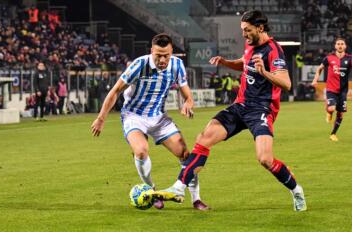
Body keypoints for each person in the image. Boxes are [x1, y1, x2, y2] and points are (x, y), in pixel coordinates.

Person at [151, 10, 307, 212]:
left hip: (261, 109)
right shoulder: (251, 44)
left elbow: (286, 83)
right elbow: (245, 63)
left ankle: (296, 191)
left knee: (265, 159)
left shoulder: (273, 51)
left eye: (247, 30)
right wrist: (225, 62)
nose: (244, 34)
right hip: (240, 105)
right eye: (243, 30)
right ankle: (179, 188)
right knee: (204, 137)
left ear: (260, 28)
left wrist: (264, 72)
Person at [91, 33, 209, 210]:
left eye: (166, 55)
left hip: (159, 117)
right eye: (158, 55)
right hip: (134, 115)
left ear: (171, 52)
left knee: (185, 154)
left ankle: (196, 199)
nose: (162, 59)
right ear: (151, 51)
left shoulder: (177, 65)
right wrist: (101, 118)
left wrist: (188, 103)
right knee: (141, 151)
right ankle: (151, 191)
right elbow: (115, 90)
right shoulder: (139, 65)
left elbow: (187, 94)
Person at [311, 38, 352, 142]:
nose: (340, 45)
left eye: (342, 44)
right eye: (338, 44)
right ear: (335, 46)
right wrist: (315, 80)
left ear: (345, 46)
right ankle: (329, 112)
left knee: (341, 113)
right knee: (331, 108)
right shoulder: (329, 58)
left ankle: (333, 134)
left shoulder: (350, 58)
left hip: (343, 91)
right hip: (331, 89)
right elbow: (320, 68)